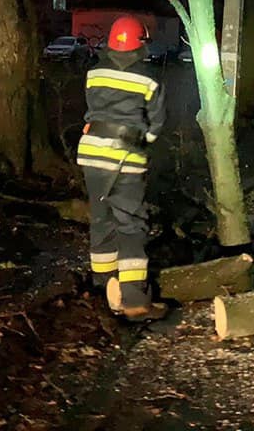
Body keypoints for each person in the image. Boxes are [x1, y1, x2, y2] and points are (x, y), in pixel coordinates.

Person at [78, 16, 168, 320]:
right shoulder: (149, 79)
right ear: (140, 44)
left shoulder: (94, 73)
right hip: (125, 157)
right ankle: (134, 299)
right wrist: (144, 141)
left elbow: (93, 109)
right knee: (131, 224)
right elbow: (156, 125)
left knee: (101, 218)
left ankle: (103, 287)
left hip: (91, 153)